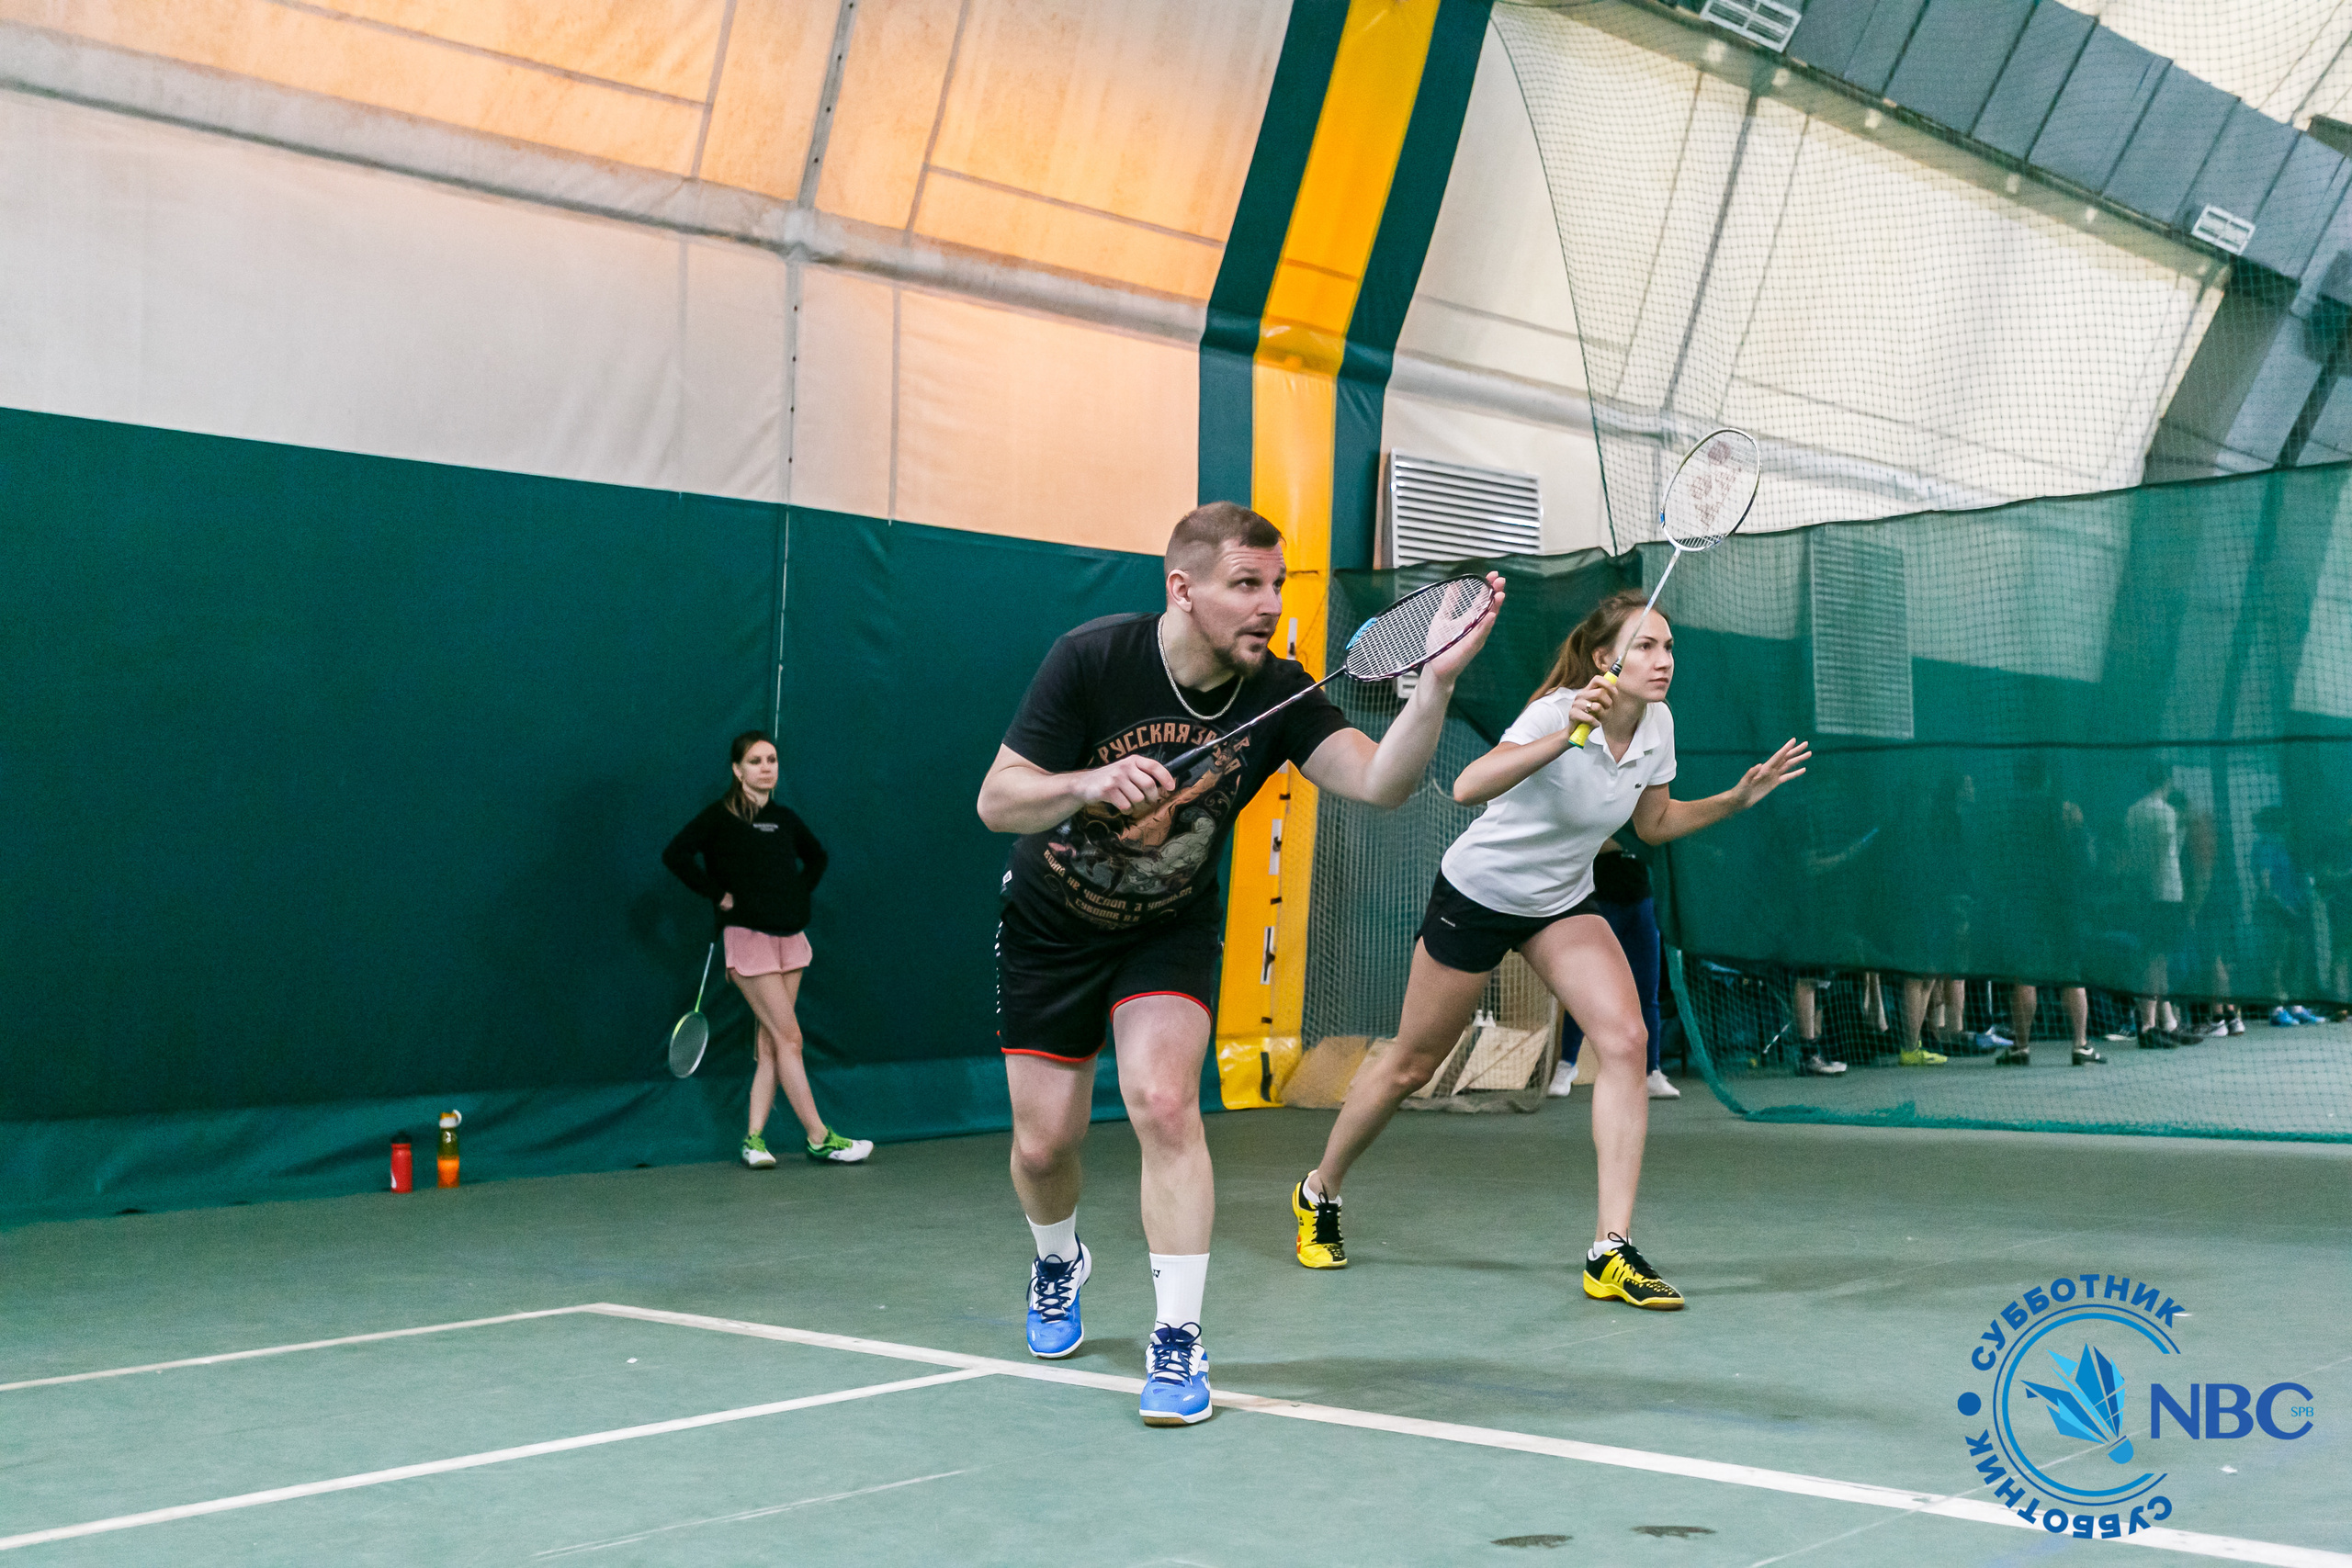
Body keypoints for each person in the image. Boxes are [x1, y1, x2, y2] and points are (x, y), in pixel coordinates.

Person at [976, 502, 1501, 1426]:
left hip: (1164, 929)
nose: (1266, 606)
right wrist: (1083, 783)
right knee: (1042, 1144)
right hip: (1051, 926)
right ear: (1182, 588)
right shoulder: (1092, 658)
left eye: (1276, 586)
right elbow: (996, 802)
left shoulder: (1280, 693)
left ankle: (1176, 1339)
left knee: (1166, 1103)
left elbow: (1382, 785)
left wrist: (1436, 689)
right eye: (1244, 585)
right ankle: (1057, 1258)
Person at [1289, 590, 1807, 1310]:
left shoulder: (1658, 724)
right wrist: (1565, 733)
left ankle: (1611, 1249)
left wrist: (1734, 798)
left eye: (1670, 648)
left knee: (1627, 1040)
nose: (1664, 661)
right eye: (1648, 646)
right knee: (1411, 1063)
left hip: (1559, 901)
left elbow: (1652, 823)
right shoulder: (1555, 710)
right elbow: (1468, 786)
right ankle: (1319, 1190)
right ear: (1606, 659)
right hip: (1478, 895)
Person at [663, 732, 871, 1168]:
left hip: (791, 941)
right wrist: (716, 893)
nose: (765, 767)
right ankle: (819, 1137)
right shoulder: (719, 819)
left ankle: (753, 1139)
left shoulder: (785, 819)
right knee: (790, 1037)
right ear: (738, 771)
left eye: (771, 760)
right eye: (755, 761)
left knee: (774, 1045)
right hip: (748, 939)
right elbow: (676, 854)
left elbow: (816, 859)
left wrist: (796, 896)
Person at [1546, 840, 1690, 1097]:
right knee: (1584, 990)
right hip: (1601, 902)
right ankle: (1567, 1064)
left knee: (1647, 992)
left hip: (1641, 903)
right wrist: (1630, 839)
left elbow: (1654, 839)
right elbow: (1592, 841)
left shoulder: (1642, 808)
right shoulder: (1602, 806)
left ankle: (1650, 1072)